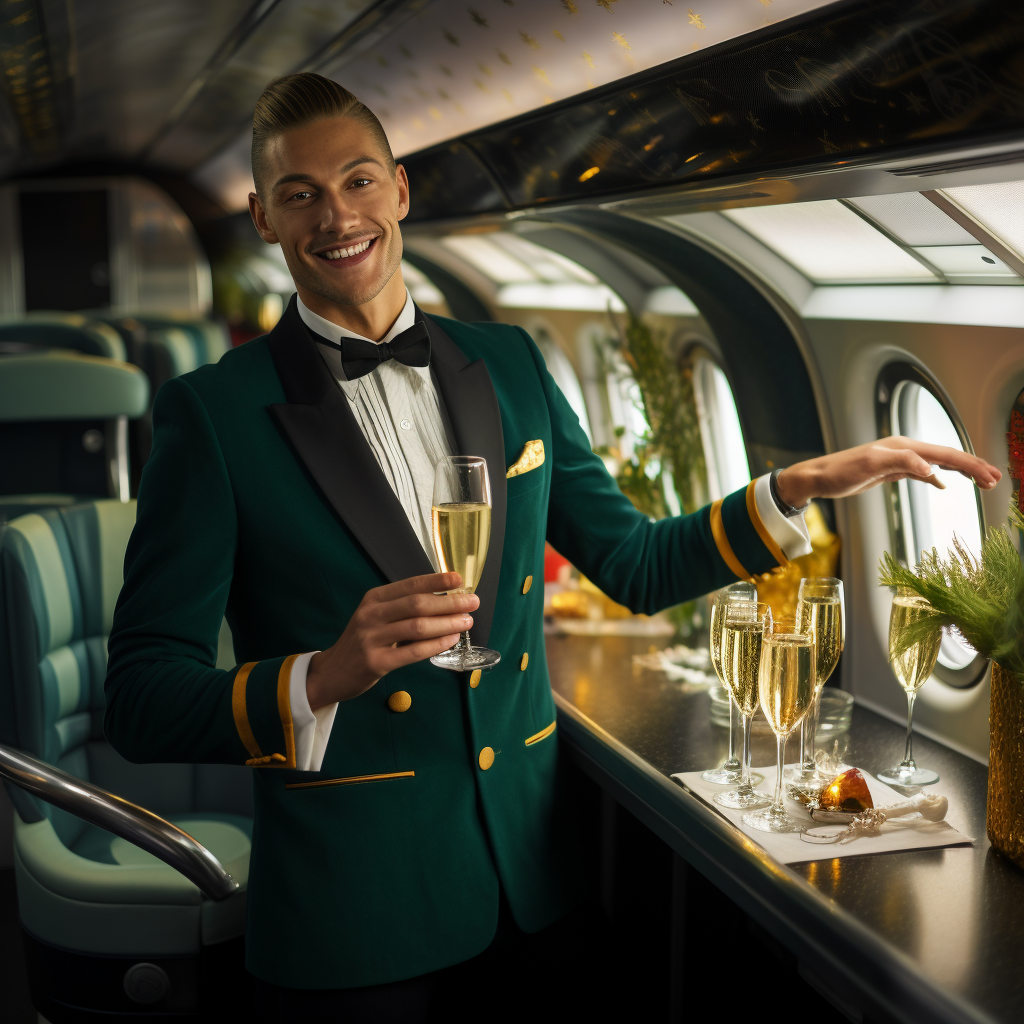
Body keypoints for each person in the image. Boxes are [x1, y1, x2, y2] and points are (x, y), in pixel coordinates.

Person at [103, 73, 1001, 1021]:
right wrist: (320, 676)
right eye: (301, 195)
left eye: (359, 181)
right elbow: (142, 697)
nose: (337, 216)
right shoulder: (213, 415)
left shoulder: (514, 364)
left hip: (534, 894)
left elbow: (638, 565)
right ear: (262, 219)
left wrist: (799, 486)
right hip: (354, 919)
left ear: (401, 190)